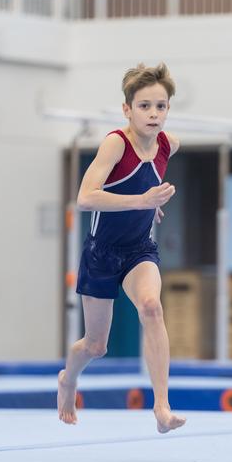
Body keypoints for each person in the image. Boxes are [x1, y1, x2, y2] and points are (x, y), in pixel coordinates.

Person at [57, 62, 186, 433]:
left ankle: (162, 407)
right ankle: (68, 379)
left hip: (138, 250)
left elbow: (149, 180)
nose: (154, 114)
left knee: (151, 307)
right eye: (145, 106)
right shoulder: (116, 143)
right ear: (127, 109)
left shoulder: (168, 144)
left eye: (161, 106)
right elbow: (85, 198)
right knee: (96, 346)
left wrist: (153, 201)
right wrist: (142, 200)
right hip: (102, 252)